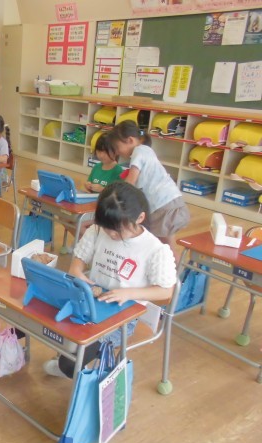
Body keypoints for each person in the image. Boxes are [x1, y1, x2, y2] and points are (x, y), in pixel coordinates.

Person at [43, 182, 177, 378]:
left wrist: (128, 293)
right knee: (47, 324)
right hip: (90, 303)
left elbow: (166, 292)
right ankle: (67, 357)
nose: (112, 234)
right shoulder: (98, 231)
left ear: (140, 218)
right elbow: (77, 265)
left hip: (123, 317)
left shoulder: (155, 250)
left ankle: (73, 366)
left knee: (70, 363)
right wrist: (78, 273)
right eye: (108, 229)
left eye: (117, 230)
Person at [109, 120, 190, 259]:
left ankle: (172, 271)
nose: (117, 152)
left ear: (130, 140)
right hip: (170, 202)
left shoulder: (138, 152)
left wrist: (113, 196)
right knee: (167, 247)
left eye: (117, 147)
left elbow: (130, 183)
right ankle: (175, 269)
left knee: (163, 248)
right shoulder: (145, 151)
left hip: (163, 206)